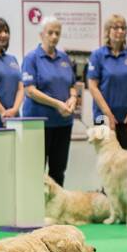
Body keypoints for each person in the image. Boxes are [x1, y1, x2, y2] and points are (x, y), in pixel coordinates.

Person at [21, 17, 79, 185]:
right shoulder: (32, 58)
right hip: (39, 124)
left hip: (63, 124)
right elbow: (30, 90)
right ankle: (35, 209)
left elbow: (72, 85)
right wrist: (57, 104)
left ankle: (56, 210)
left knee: (58, 170)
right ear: (41, 35)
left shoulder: (64, 58)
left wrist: (73, 98)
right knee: (36, 170)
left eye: (57, 33)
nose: (54, 36)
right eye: (50, 33)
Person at [86, 14, 127, 152]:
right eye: (116, 28)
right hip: (102, 117)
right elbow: (92, 87)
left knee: (125, 159)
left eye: (123, 28)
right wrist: (107, 114)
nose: (120, 31)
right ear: (107, 31)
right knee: (106, 160)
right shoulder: (97, 55)